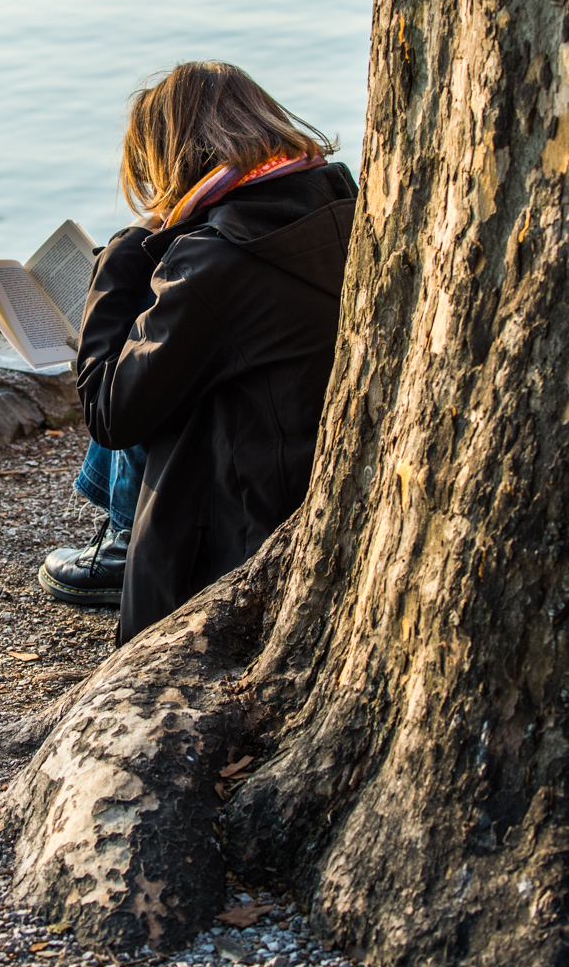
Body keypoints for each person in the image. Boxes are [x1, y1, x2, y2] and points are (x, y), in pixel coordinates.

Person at [38, 60, 357, 645]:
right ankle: (118, 534)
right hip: (306, 474)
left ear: (175, 158)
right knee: (163, 342)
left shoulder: (215, 260)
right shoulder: (339, 201)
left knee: (132, 354)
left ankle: (120, 540)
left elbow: (110, 415)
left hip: (239, 532)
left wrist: (121, 259)